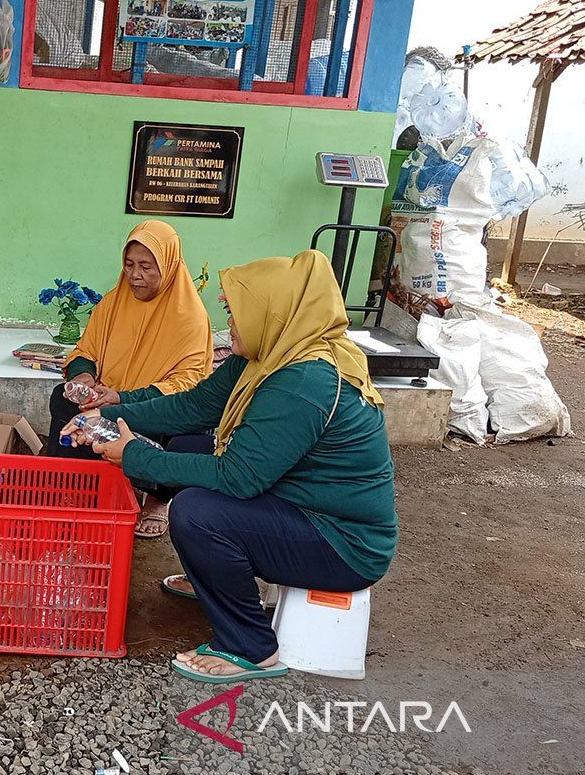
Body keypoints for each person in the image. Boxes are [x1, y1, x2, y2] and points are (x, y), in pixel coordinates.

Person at [63, 250, 397, 684]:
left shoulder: (304, 381)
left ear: (271, 314)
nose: (229, 323)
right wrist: (108, 414)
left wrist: (135, 456)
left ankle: (250, 646)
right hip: (299, 506)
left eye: (237, 312)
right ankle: (219, 578)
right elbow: (197, 406)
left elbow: (238, 478)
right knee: (191, 454)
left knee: (197, 512)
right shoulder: (270, 353)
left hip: (342, 543)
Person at [49, 220, 213, 538]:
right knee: (62, 397)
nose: (135, 275)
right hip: (106, 402)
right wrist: (85, 378)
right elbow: (86, 350)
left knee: (189, 437)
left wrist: (124, 399)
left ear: (168, 266)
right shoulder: (114, 302)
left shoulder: (190, 318)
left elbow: (187, 385)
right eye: (129, 264)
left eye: (146, 267)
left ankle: (157, 496)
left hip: (153, 411)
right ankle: (76, 484)